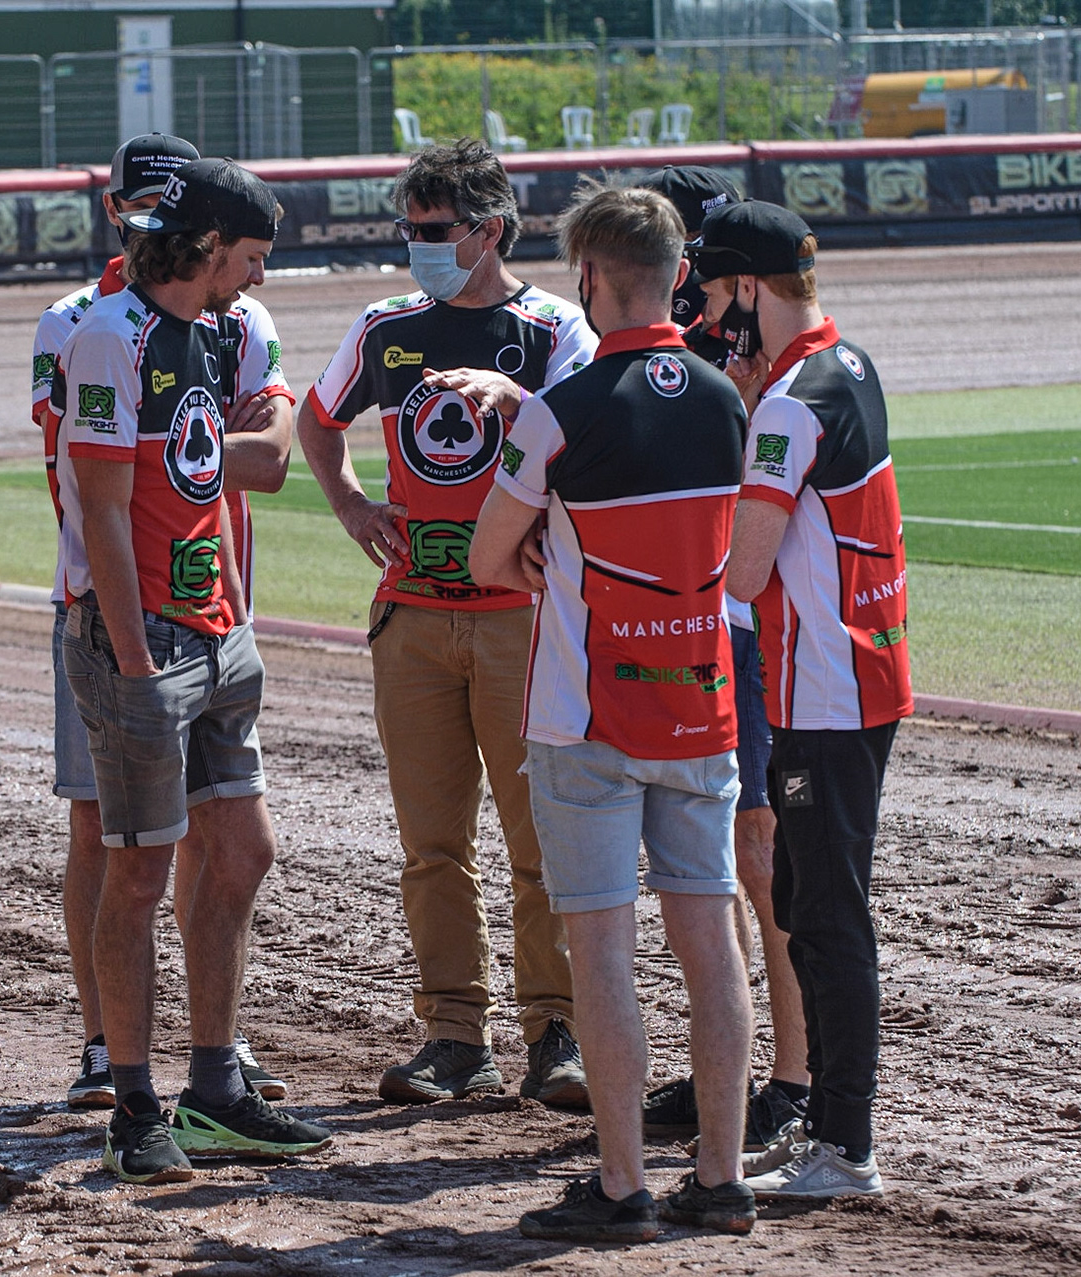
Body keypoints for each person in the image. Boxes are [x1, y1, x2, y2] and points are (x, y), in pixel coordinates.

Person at [468, 180, 755, 1243]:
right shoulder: (729, 399)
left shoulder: (560, 408)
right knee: (711, 943)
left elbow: (487, 555)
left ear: (588, 277)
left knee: (602, 953)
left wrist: (546, 561)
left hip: (586, 714)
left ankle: (624, 1184)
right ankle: (719, 1178)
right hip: (702, 704)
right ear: (678, 276)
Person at [300, 139, 594, 1107]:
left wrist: (524, 400)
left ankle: (556, 1031)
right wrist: (351, 505)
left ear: (490, 230)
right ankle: (455, 1034)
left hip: (523, 623)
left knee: (541, 844)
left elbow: (600, 436)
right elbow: (317, 418)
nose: (416, 244)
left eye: (433, 229)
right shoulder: (385, 327)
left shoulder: (554, 330)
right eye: (409, 227)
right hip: (414, 621)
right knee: (432, 847)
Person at [56, 157, 332, 1183]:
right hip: (142, 643)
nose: (257, 278)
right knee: (138, 871)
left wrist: (228, 617)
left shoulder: (217, 333)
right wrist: (134, 657)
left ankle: (214, 1088)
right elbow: (101, 508)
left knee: (243, 851)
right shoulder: (107, 336)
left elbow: (231, 471)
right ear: (208, 246)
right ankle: (134, 1105)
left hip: (218, 631)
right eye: (250, 258)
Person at [692, 200, 911, 1200]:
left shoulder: (786, 405)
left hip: (823, 690)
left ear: (749, 287)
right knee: (811, 902)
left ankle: (845, 1147)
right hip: (859, 678)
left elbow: (743, 573)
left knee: (826, 918)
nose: (707, 317)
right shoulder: (847, 363)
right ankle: (826, 1125)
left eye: (712, 294)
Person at [635, 166, 811, 1153]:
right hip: (686, 627)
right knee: (705, 858)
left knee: (758, 853)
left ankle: (794, 1079)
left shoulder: (758, 356)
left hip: (743, 632)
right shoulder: (677, 342)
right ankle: (730, 1070)